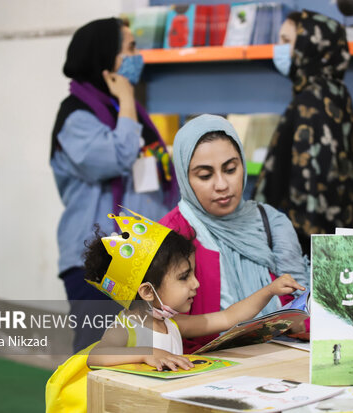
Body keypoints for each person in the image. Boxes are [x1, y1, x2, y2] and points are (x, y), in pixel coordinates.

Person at [45, 210, 304, 412]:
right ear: (147, 292)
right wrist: (149, 353)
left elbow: (229, 317)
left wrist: (269, 290)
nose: (196, 284)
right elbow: (97, 356)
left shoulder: (174, 323)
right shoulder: (129, 326)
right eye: (184, 277)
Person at [50, 17, 178, 353]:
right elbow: (119, 156)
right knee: (98, 352)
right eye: (130, 48)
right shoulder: (76, 116)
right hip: (96, 260)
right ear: (104, 56)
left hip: (140, 255)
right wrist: (125, 96)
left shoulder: (129, 113)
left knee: (141, 352)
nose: (138, 56)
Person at [159, 114, 309, 353]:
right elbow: (159, 322)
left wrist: (300, 320)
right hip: (202, 371)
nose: (222, 185)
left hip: (277, 364)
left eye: (230, 169)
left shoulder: (272, 223)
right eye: (205, 175)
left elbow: (302, 306)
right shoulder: (171, 235)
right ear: (184, 178)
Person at [252, 10, 353, 256]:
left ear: (309, 45)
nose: (279, 48)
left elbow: (301, 180)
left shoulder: (310, 100)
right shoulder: (337, 93)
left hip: (305, 245)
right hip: (335, 240)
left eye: (287, 41)